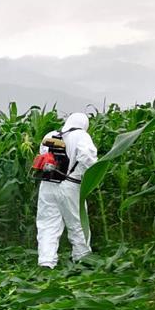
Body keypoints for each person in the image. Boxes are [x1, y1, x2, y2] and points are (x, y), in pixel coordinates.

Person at [35, 112, 98, 268]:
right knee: (77, 222)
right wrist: (81, 175)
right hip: (71, 185)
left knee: (47, 223)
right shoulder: (81, 136)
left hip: (48, 183)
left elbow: (43, 155)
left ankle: (46, 262)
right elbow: (88, 158)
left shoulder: (51, 135)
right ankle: (82, 258)